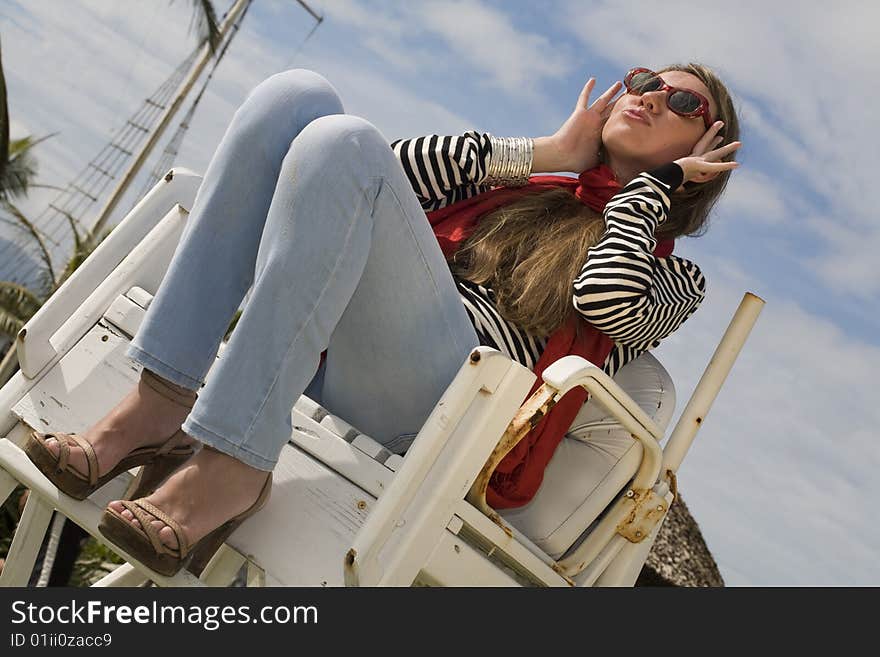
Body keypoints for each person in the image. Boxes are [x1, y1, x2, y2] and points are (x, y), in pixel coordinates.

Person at [23, 65, 741, 576]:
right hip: (334, 347)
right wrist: (544, 155)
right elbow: (359, 173)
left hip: (445, 410)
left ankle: (232, 470)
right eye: (645, 80)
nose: (649, 96)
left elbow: (604, 304)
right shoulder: (532, 180)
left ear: (707, 153)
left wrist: (652, 192)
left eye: (681, 101)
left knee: (346, 142)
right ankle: (158, 401)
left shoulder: (675, 274)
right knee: (296, 97)